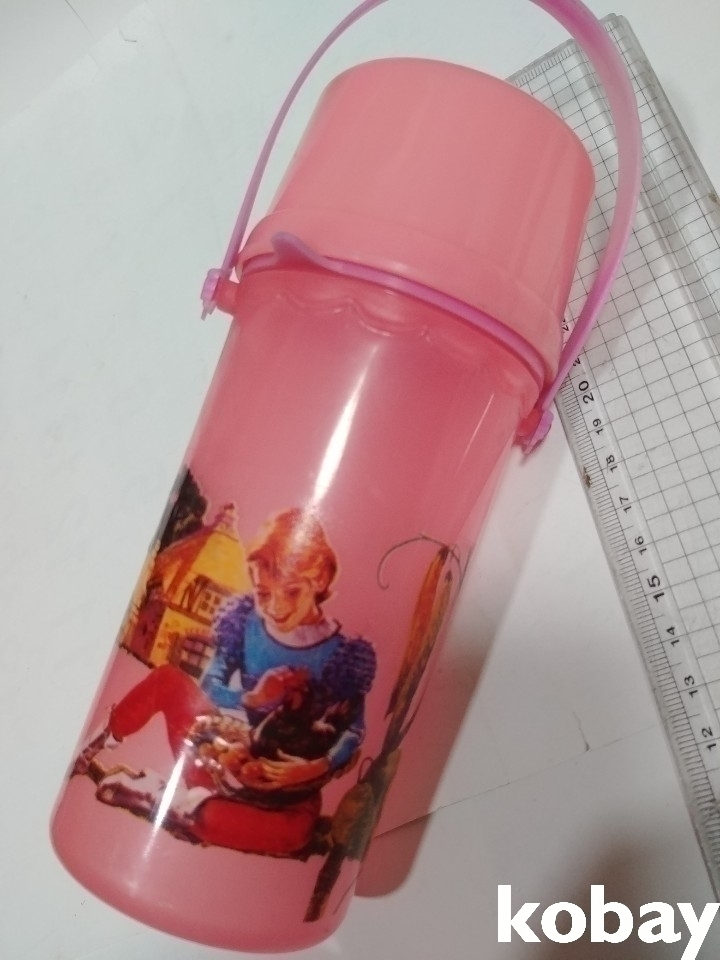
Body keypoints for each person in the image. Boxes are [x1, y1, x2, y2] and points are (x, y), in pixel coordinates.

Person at [73, 508, 376, 857]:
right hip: (215, 758)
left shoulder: (342, 654)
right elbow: (212, 685)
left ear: (319, 579)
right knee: (168, 681)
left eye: (291, 592)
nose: (276, 607)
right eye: (264, 593)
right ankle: (101, 742)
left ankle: (163, 799)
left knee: (294, 832)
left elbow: (353, 731)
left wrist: (315, 767)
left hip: (281, 790)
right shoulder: (245, 623)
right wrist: (253, 698)